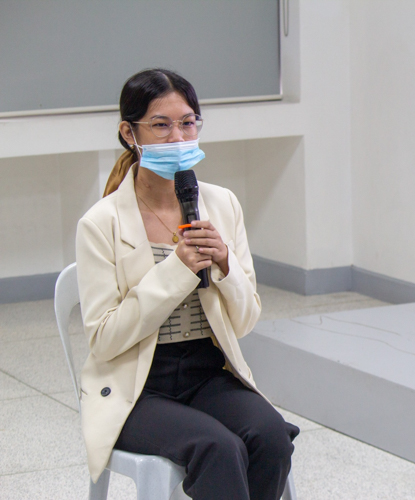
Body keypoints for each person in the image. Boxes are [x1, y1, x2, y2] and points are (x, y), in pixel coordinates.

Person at [76, 68, 299, 500]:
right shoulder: (100, 223)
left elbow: (246, 319)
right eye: (160, 125)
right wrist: (176, 270)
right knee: (219, 449)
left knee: (271, 436)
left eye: (188, 122)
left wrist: (225, 265)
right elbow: (104, 340)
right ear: (129, 133)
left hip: (207, 373)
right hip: (136, 386)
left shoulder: (221, 203)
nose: (178, 136)